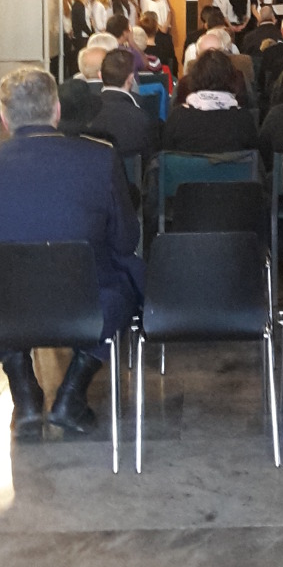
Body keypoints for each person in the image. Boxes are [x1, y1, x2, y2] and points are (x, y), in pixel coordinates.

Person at [0, 68, 143, 437]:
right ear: (56, 110)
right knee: (125, 277)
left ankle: (25, 395)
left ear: (4, 117)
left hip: (8, 309)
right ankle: (71, 394)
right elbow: (126, 239)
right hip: (89, 306)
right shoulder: (100, 158)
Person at [163, 49, 258, 154]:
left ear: (194, 78)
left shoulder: (178, 117)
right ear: (231, 78)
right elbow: (254, 157)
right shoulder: (243, 119)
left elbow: (166, 155)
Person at [88, 48, 159, 163]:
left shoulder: (86, 112)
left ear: (100, 75)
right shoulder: (142, 117)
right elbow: (150, 160)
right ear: (130, 79)